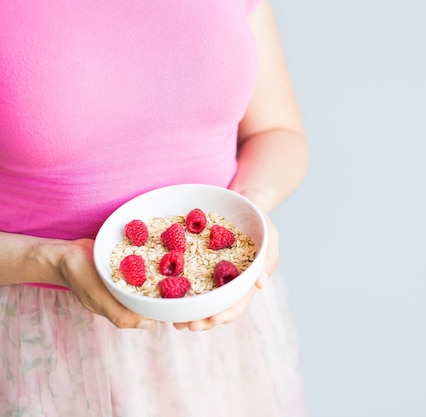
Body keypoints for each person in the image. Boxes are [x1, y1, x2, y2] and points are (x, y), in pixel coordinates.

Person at [0, 0, 308, 415]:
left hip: (224, 327)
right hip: (47, 350)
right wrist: (49, 260)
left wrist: (248, 213)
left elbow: (277, 130)